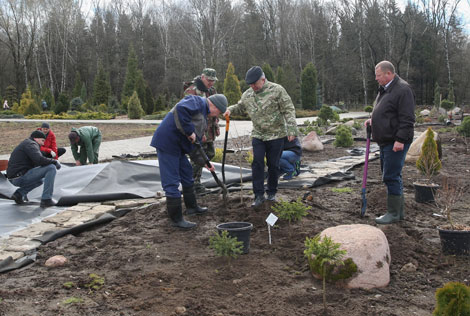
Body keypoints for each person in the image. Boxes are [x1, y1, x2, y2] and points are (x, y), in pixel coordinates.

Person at [224, 66, 299, 207]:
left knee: (273, 164)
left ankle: (271, 193)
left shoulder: (277, 90)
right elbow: (240, 106)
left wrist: (292, 129)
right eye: (250, 85)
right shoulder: (248, 94)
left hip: (276, 135)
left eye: (255, 84)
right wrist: (230, 110)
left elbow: (288, 109)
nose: (253, 87)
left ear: (263, 80)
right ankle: (258, 195)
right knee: (257, 163)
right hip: (258, 135)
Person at [150, 94, 227, 229]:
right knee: (171, 182)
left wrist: (205, 162)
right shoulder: (197, 101)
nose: (216, 116)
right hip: (167, 144)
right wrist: (189, 131)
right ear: (213, 106)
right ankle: (176, 220)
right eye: (218, 113)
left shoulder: (202, 116)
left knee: (187, 174)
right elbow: (180, 109)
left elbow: (195, 145)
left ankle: (192, 208)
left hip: (178, 147)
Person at [365, 60, 415, 224]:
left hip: (395, 141)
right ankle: (398, 213)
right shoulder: (385, 90)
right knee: (393, 175)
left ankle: (393, 213)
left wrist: (400, 140)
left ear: (388, 73)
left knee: (391, 176)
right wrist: (373, 120)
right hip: (385, 141)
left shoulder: (402, 89)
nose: (376, 79)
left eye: (378, 75)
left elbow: (407, 118)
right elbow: (386, 112)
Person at [184, 68, 219, 194]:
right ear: (202, 77)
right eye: (209, 80)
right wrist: (199, 133)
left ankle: (195, 181)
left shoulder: (211, 90)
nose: (211, 83)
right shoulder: (191, 91)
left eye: (213, 81)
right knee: (198, 157)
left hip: (209, 129)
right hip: (198, 130)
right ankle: (191, 183)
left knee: (210, 153)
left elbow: (215, 107)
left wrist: (216, 125)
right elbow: (189, 114)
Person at [6, 130, 61, 207]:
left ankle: (19, 194)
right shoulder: (31, 144)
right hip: (19, 177)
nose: (43, 143)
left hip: (15, 177)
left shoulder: (27, 144)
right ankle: (46, 199)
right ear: (36, 138)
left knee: (40, 180)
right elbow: (39, 159)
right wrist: (54, 162)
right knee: (51, 167)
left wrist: (49, 157)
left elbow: (37, 160)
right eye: (42, 140)